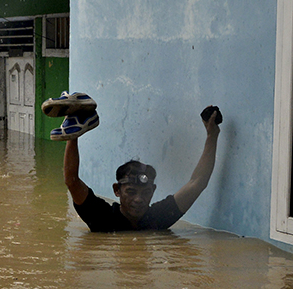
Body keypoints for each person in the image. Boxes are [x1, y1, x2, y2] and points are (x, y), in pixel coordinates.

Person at [51, 93, 222, 232]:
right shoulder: (102, 218)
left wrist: (212, 135)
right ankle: (74, 121)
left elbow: (197, 183)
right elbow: (71, 180)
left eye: (145, 192)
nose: (139, 199)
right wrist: (72, 138)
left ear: (153, 190)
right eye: (131, 192)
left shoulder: (159, 218)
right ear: (116, 190)